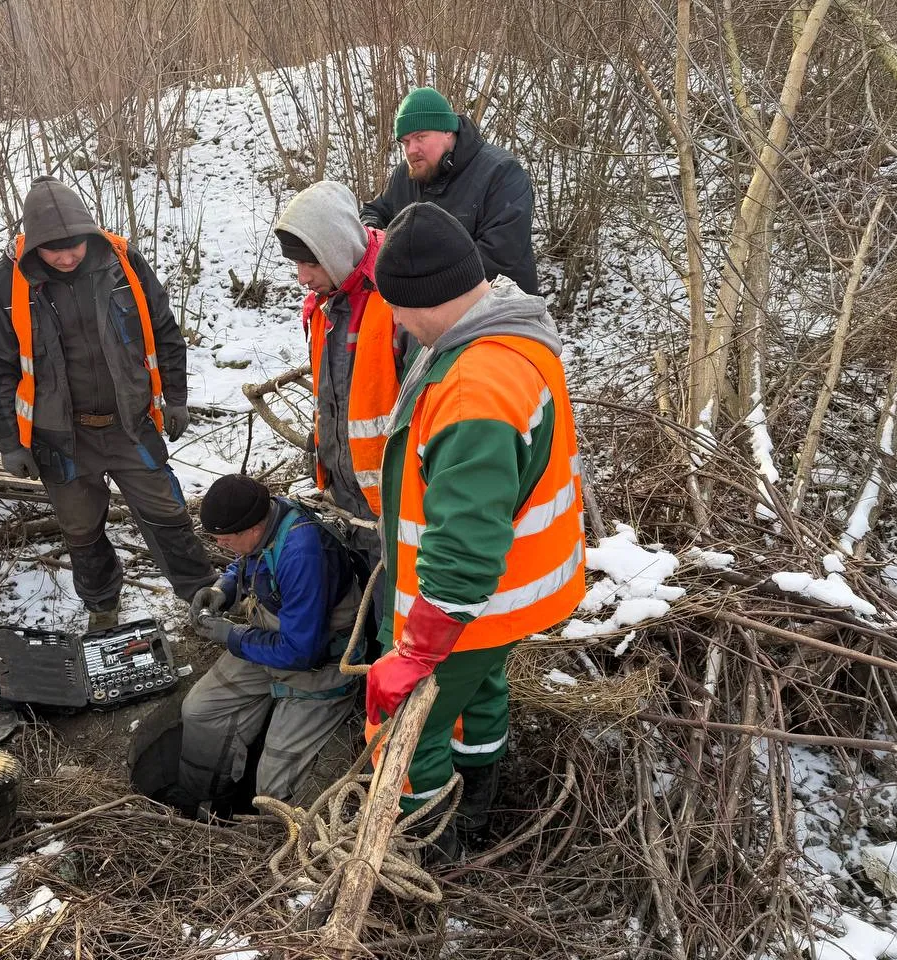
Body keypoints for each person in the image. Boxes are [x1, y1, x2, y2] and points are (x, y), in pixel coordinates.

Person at [366, 202, 586, 858]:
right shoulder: (506, 331)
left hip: (468, 607)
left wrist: (416, 654)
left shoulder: (475, 388)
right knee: (480, 696)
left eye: (398, 307)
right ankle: (478, 812)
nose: (397, 322)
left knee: (409, 731)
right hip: (505, 602)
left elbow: (465, 543)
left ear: (425, 298)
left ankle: (428, 855)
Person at [0, 175, 216, 629]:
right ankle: (103, 608)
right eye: (54, 250)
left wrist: (177, 398)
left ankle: (202, 594)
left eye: (75, 247)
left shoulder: (122, 265)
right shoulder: (4, 285)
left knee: (166, 512)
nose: (67, 257)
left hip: (130, 423)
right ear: (33, 247)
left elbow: (165, 331)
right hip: (59, 437)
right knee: (82, 530)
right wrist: (10, 442)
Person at [176, 474, 362, 812]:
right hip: (271, 641)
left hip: (319, 666)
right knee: (200, 711)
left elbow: (303, 652)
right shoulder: (267, 519)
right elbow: (248, 560)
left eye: (225, 539)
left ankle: (270, 840)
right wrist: (224, 587)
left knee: (272, 795)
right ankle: (200, 802)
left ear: (251, 529)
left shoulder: (302, 553)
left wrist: (233, 637)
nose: (220, 546)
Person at [273, 180, 416, 573]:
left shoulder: (398, 297)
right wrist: (322, 442)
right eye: (296, 265)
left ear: (336, 249)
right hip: (347, 495)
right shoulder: (324, 305)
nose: (302, 277)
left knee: (396, 602)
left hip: (396, 498)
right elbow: (332, 391)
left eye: (310, 263)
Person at [360, 86, 539, 296]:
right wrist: (371, 238)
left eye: (420, 137)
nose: (411, 150)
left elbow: (500, 257)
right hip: (425, 314)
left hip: (498, 311)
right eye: (405, 142)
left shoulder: (502, 173)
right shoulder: (406, 175)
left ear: (447, 131)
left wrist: (418, 276)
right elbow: (374, 211)